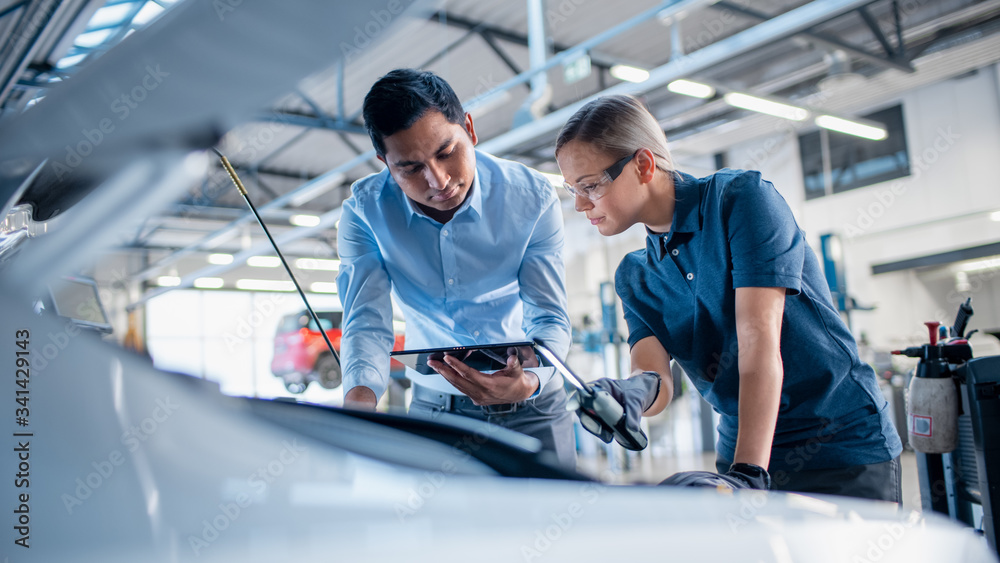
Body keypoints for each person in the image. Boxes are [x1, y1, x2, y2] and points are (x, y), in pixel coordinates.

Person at [554, 94, 903, 500]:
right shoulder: (636, 275)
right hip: (740, 448)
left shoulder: (739, 200)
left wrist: (748, 473)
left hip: (837, 447)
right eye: (572, 190)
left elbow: (758, 342)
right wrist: (630, 393)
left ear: (644, 165)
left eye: (590, 186)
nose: (579, 204)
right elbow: (656, 380)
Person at [336, 69, 575, 468]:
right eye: (410, 168)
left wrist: (529, 381)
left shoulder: (532, 200)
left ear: (469, 128)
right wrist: (359, 404)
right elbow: (366, 322)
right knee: (441, 530)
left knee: (558, 527)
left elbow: (549, 316)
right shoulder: (364, 213)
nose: (439, 180)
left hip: (532, 407)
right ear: (385, 162)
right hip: (436, 411)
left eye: (446, 152)